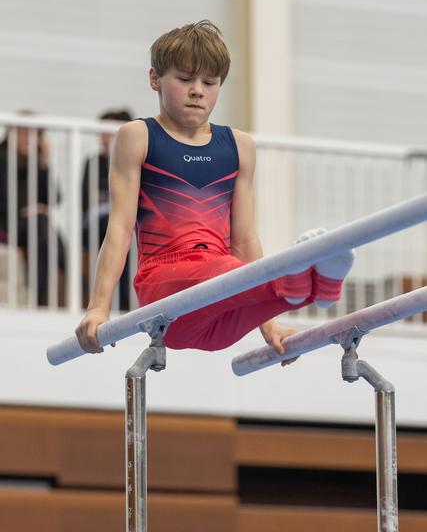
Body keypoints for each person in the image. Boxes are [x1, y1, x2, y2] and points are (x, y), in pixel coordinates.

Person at [75, 20, 353, 359]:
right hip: (167, 293)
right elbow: (118, 228)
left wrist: (270, 326)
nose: (197, 90)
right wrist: (97, 307)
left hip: (222, 309)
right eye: (185, 79)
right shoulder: (138, 137)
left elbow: (245, 239)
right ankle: (301, 275)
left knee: (249, 277)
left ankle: (319, 287)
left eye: (209, 82)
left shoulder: (239, 146)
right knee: (231, 273)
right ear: (154, 79)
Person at [0, 113, 66, 306]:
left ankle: (41, 300)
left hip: (31, 227)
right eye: (23, 133)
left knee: (42, 232)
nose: (28, 139)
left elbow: (54, 198)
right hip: (6, 224)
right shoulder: (2, 159)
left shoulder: (35, 163)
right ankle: (40, 301)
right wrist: (26, 211)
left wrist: (45, 163)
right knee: (42, 225)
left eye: (33, 134)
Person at [81, 109, 133, 310]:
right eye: (101, 133)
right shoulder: (94, 162)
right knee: (111, 229)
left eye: (108, 133)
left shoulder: (132, 160)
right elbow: (85, 199)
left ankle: (125, 300)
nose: (103, 139)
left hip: (125, 222)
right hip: (98, 222)